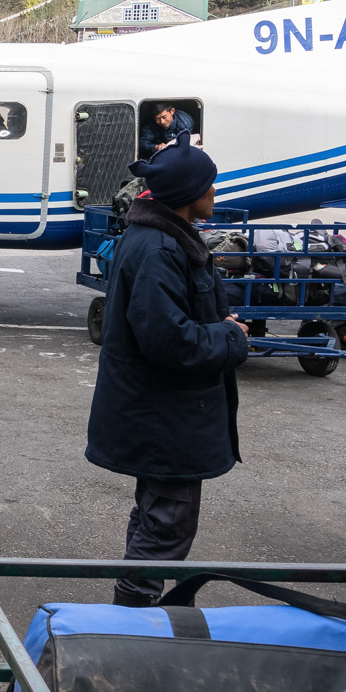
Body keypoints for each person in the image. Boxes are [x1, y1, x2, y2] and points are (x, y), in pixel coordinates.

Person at [85, 144, 249, 606]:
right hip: (165, 416)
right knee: (167, 523)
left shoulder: (166, 237)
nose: (215, 191)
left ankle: (131, 615)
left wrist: (216, 323)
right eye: (209, 184)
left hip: (163, 414)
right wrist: (230, 337)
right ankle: (132, 625)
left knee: (156, 516)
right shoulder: (159, 247)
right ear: (189, 192)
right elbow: (169, 340)